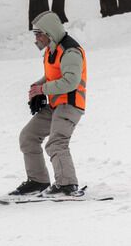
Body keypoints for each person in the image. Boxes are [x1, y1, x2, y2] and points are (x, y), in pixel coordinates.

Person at [10, 11, 87, 196]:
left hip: (70, 105)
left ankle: (66, 185)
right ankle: (38, 181)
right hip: (54, 105)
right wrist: (38, 85)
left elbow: (71, 81)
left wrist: (43, 90)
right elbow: (54, 75)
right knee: (28, 137)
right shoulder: (52, 50)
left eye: (38, 33)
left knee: (56, 142)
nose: (36, 38)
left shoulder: (70, 51)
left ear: (49, 32)